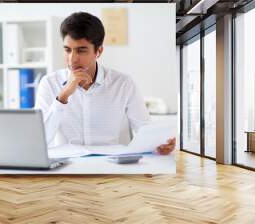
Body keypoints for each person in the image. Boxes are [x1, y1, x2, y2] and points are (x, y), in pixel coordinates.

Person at [35, 12, 175, 155]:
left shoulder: (123, 84)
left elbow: (144, 130)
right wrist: (63, 96)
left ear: (99, 51)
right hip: (67, 167)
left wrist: (161, 144)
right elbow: (38, 141)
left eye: (81, 51)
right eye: (67, 50)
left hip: (110, 165)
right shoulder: (49, 83)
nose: (72, 59)